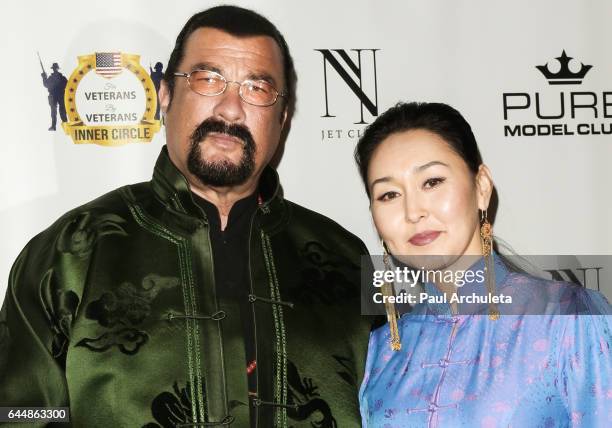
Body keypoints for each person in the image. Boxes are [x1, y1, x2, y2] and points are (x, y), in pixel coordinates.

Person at [0, 6, 372, 427]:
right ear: (165, 95)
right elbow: (18, 413)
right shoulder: (71, 252)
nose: (230, 109)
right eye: (208, 79)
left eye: (257, 88)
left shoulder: (345, 260)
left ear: (282, 118)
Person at [355, 102, 611, 427]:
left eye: (432, 182)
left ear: (481, 187)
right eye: (389, 194)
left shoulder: (565, 318)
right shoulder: (382, 352)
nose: (413, 212)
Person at [41, 62, 68, 131]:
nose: (55, 69)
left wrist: (44, 78)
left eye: (55, 68)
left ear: (56, 69)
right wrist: (44, 77)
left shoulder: (61, 77)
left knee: (62, 111)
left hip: (60, 95)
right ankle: (54, 126)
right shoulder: (55, 77)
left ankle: (65, 125)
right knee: (54, 111)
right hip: (54, 95)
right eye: (54, 68)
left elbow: (68, 86)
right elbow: (46, 85)